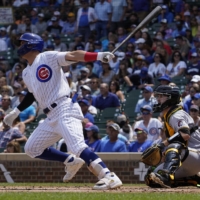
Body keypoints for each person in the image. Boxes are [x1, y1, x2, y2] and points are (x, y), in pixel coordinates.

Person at [3, 33, 122, 190]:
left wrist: (98, 55)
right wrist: (16, 111)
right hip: (50, 115)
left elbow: (73, 55)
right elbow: (32, 94)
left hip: (65, 107)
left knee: (77, 146)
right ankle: (70, 161)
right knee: (31, 148)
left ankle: (109, 176)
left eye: (21, 42)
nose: (18, 46)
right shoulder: (26, 72)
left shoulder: (48, 57)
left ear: (31, 44)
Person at [145, 85, 200, 188]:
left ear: (170, 98)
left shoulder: (176, 114)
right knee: (152, 178)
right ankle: (193, 178)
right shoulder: (169, 115)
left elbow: (185, 134)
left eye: (161, 96)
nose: (158, 99)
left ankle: (166, 175)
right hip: (189, 159)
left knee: (173, 147)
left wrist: (162, 145)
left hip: (197, 153)